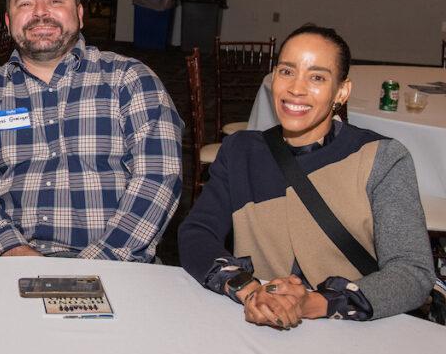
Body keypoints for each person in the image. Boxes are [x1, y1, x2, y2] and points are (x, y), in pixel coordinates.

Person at [179, 25, 434, 326]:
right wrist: (249, 290)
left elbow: (412, 271)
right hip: (258, 327)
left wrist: (313, 303)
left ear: (342, 91)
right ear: (274, 78)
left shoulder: (381, 157)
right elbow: (196, 232)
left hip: (351, 334)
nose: (296, 89)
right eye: (287, 72)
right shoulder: (240, 151)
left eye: (317, 77)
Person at [0, 0, 184, 260]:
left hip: (117, 262)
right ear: (8, 21)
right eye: (25, 3)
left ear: (80, 14)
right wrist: (12, 247)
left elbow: (158, 179)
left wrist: (100, 261)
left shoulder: (131, 81)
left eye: (55, 0)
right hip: (9, 258)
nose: (40, 13)